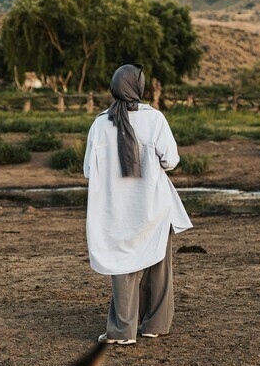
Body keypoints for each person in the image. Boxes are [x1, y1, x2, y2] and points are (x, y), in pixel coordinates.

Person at [83, 63, 193, 345]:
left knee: (122, 265)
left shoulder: (99, 123)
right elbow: (171, 160)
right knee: (158, 265)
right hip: (153, 205)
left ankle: (122, 331)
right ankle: (154, 324)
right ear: (139, 88)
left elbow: (88, 171)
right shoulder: (154, 119)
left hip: (115, 209)